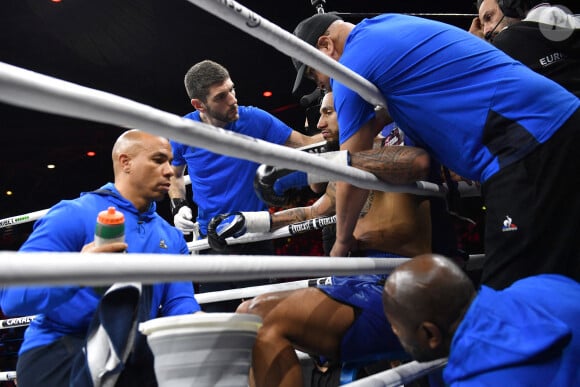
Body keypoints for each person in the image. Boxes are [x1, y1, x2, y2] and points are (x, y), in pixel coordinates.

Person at [291, 13, 580, 290]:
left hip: (526, 141)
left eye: (313, 71)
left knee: (506, 294)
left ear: (325, 46)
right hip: (550, 125)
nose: (319, 82)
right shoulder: (387, 26)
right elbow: (427, 92)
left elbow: (351, 167)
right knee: (561, 277)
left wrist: (340, 245)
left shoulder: (349, 66)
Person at [209, 91, 443, 387]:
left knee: (259, 315)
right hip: (357, 281)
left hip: (401, 282)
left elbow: (417, 164)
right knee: (247, 312)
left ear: (354, 111)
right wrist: (250, 222)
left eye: (329, 112)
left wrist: (327, 163)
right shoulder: (343, 172)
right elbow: (312, 212)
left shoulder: (397, 146)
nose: (319, 122)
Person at [0, 129, 202, 387]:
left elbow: (179, 305)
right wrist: (78, 271)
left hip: (129, 357)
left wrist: (205, 328)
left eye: (170, 162)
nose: (170, 171)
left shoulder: (171, 238)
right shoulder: (73, 215)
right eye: (158, 160)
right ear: (125, 162)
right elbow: (12, 297)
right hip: (61, 353)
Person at [168, 60, 322, 311]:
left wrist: (346, 130)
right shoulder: (183, 130)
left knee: (262, 320)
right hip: (212, 240)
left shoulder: (254, 119)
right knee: (219, 323)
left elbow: (305, 146)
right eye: (221, 96)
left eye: (232, 89)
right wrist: (178, 205)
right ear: (199, 105)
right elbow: (174, 174)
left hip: (255, 234)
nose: (232, 99)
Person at [382, 254, 580, 386]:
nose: (393, 332)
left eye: (396, 328)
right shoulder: (543, 283)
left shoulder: (477, 382)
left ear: (430, 334)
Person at [471, 0, 580, 97]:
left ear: (510, 4)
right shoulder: (572, 23)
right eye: (483, 25)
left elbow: (474, 86)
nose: (486, 31)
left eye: (489, 17)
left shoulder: (508, 40)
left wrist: (473, 45)